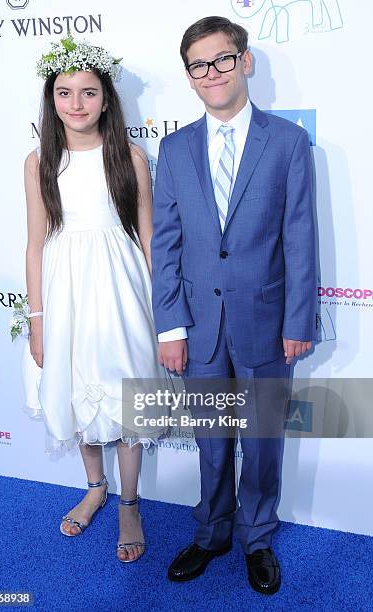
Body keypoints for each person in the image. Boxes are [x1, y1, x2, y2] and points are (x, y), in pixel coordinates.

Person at [151, 16, 316, 592]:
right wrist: (169, 326)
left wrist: (299, 320)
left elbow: (299, 237)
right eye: (199, 65)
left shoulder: (289, 142)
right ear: (190, 79)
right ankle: (211, 533)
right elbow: (165, 243)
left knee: (262, 441)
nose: (212, 72)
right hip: (197, 327)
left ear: (245, 61)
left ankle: (258, 538)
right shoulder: (171, 150)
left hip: (268, 325)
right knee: (211, 442)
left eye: (222, 59)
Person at [23, 34, 164, 563]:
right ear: (51, 98)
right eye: (65, 92)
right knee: (77, 387)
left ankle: (130, 501)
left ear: (107, 97)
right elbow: (36, 244)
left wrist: (163, 308)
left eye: (88, 92)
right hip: (65, 291)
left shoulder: (129, 156)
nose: (76, 104)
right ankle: (95, 486)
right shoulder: (38, 162)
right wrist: (37, 320)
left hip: (123, 287)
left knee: (126, 392)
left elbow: (147, 236)